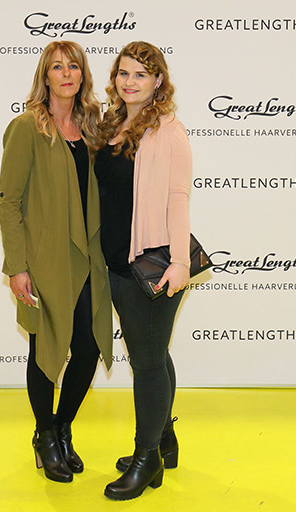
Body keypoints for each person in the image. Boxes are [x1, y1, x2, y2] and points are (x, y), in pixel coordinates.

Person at [0, 41, 113, 484]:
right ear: (45, 76)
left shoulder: (93, 127)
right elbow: (9, 201)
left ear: (83, 74)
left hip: (88, 256)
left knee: (88, 346)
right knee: (45, 348)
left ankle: (62, 427)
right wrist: (17, 266)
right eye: (57, 67)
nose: (67, 74)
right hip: (44, 259)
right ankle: (44, 436)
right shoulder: (27, 127)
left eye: (74, 67)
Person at [94, 41, 192, 501]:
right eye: (123, 73)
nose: (129, 82)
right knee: (153, 353)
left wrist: (180, 262)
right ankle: (165, 439)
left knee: (148, 362)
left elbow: (178, 198)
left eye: (140, 74)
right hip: (115, 262)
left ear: (158, 81)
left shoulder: (169, 131)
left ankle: (146, 456)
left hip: (151, 265)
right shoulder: (112, 124)